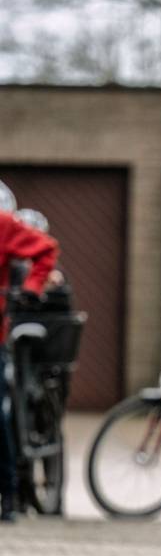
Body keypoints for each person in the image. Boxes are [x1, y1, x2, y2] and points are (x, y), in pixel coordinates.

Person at [0, 181, 59, 522]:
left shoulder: (5, 225)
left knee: (0, 411)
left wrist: (32, 287)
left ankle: (9, 493)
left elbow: (46, 249)